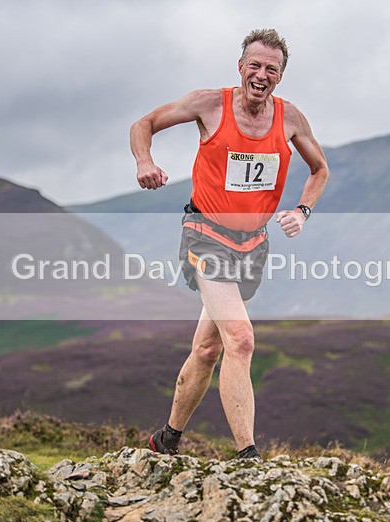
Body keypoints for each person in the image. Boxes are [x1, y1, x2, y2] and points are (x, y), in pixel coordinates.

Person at [130, 28, 329, 461]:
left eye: (270, 69)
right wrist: (145, 161)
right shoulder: (209, 104)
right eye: (254, 65)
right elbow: (143, 124)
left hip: (252, 247)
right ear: (240, 66)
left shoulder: (289, 117)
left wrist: (302, 211)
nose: (261, 75)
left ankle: (166, 439)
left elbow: (320, 170)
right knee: (240, 338)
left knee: (208, 348)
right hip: (204, 236)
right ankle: (248, 457)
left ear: (280, 76)